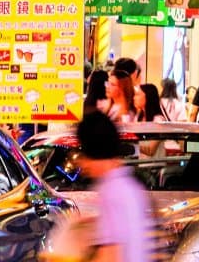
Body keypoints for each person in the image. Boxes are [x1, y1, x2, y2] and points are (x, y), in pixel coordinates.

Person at [54, 109, 157, 262]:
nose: (81, 163)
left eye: (82, 153)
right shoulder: (131, 186)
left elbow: (111, 255)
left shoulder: (112, 192)